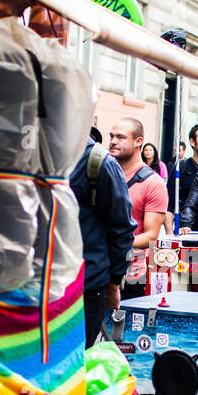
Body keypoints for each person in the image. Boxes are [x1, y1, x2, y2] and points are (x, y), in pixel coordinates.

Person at [70, 136, 134, 348]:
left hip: (85, 287)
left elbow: (121, 229)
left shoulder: (98, 162)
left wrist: (115, 283)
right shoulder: (28, 155)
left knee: (76, 361)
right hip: (35, 286)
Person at [108, 118, 167, 299]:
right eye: (111, 136)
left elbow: (151, 235)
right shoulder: (103, 173)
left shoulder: (153, 183)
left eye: (121, 137)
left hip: (132, 272)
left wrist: (110, 242)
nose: (113, 141)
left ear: (138, 141)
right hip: (97, 265)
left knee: (121, 325)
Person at [176, 123, 198, 226]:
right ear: (192, 142)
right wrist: (171, 234)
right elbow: (170, 205)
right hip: (186, 230)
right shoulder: (181, 167)